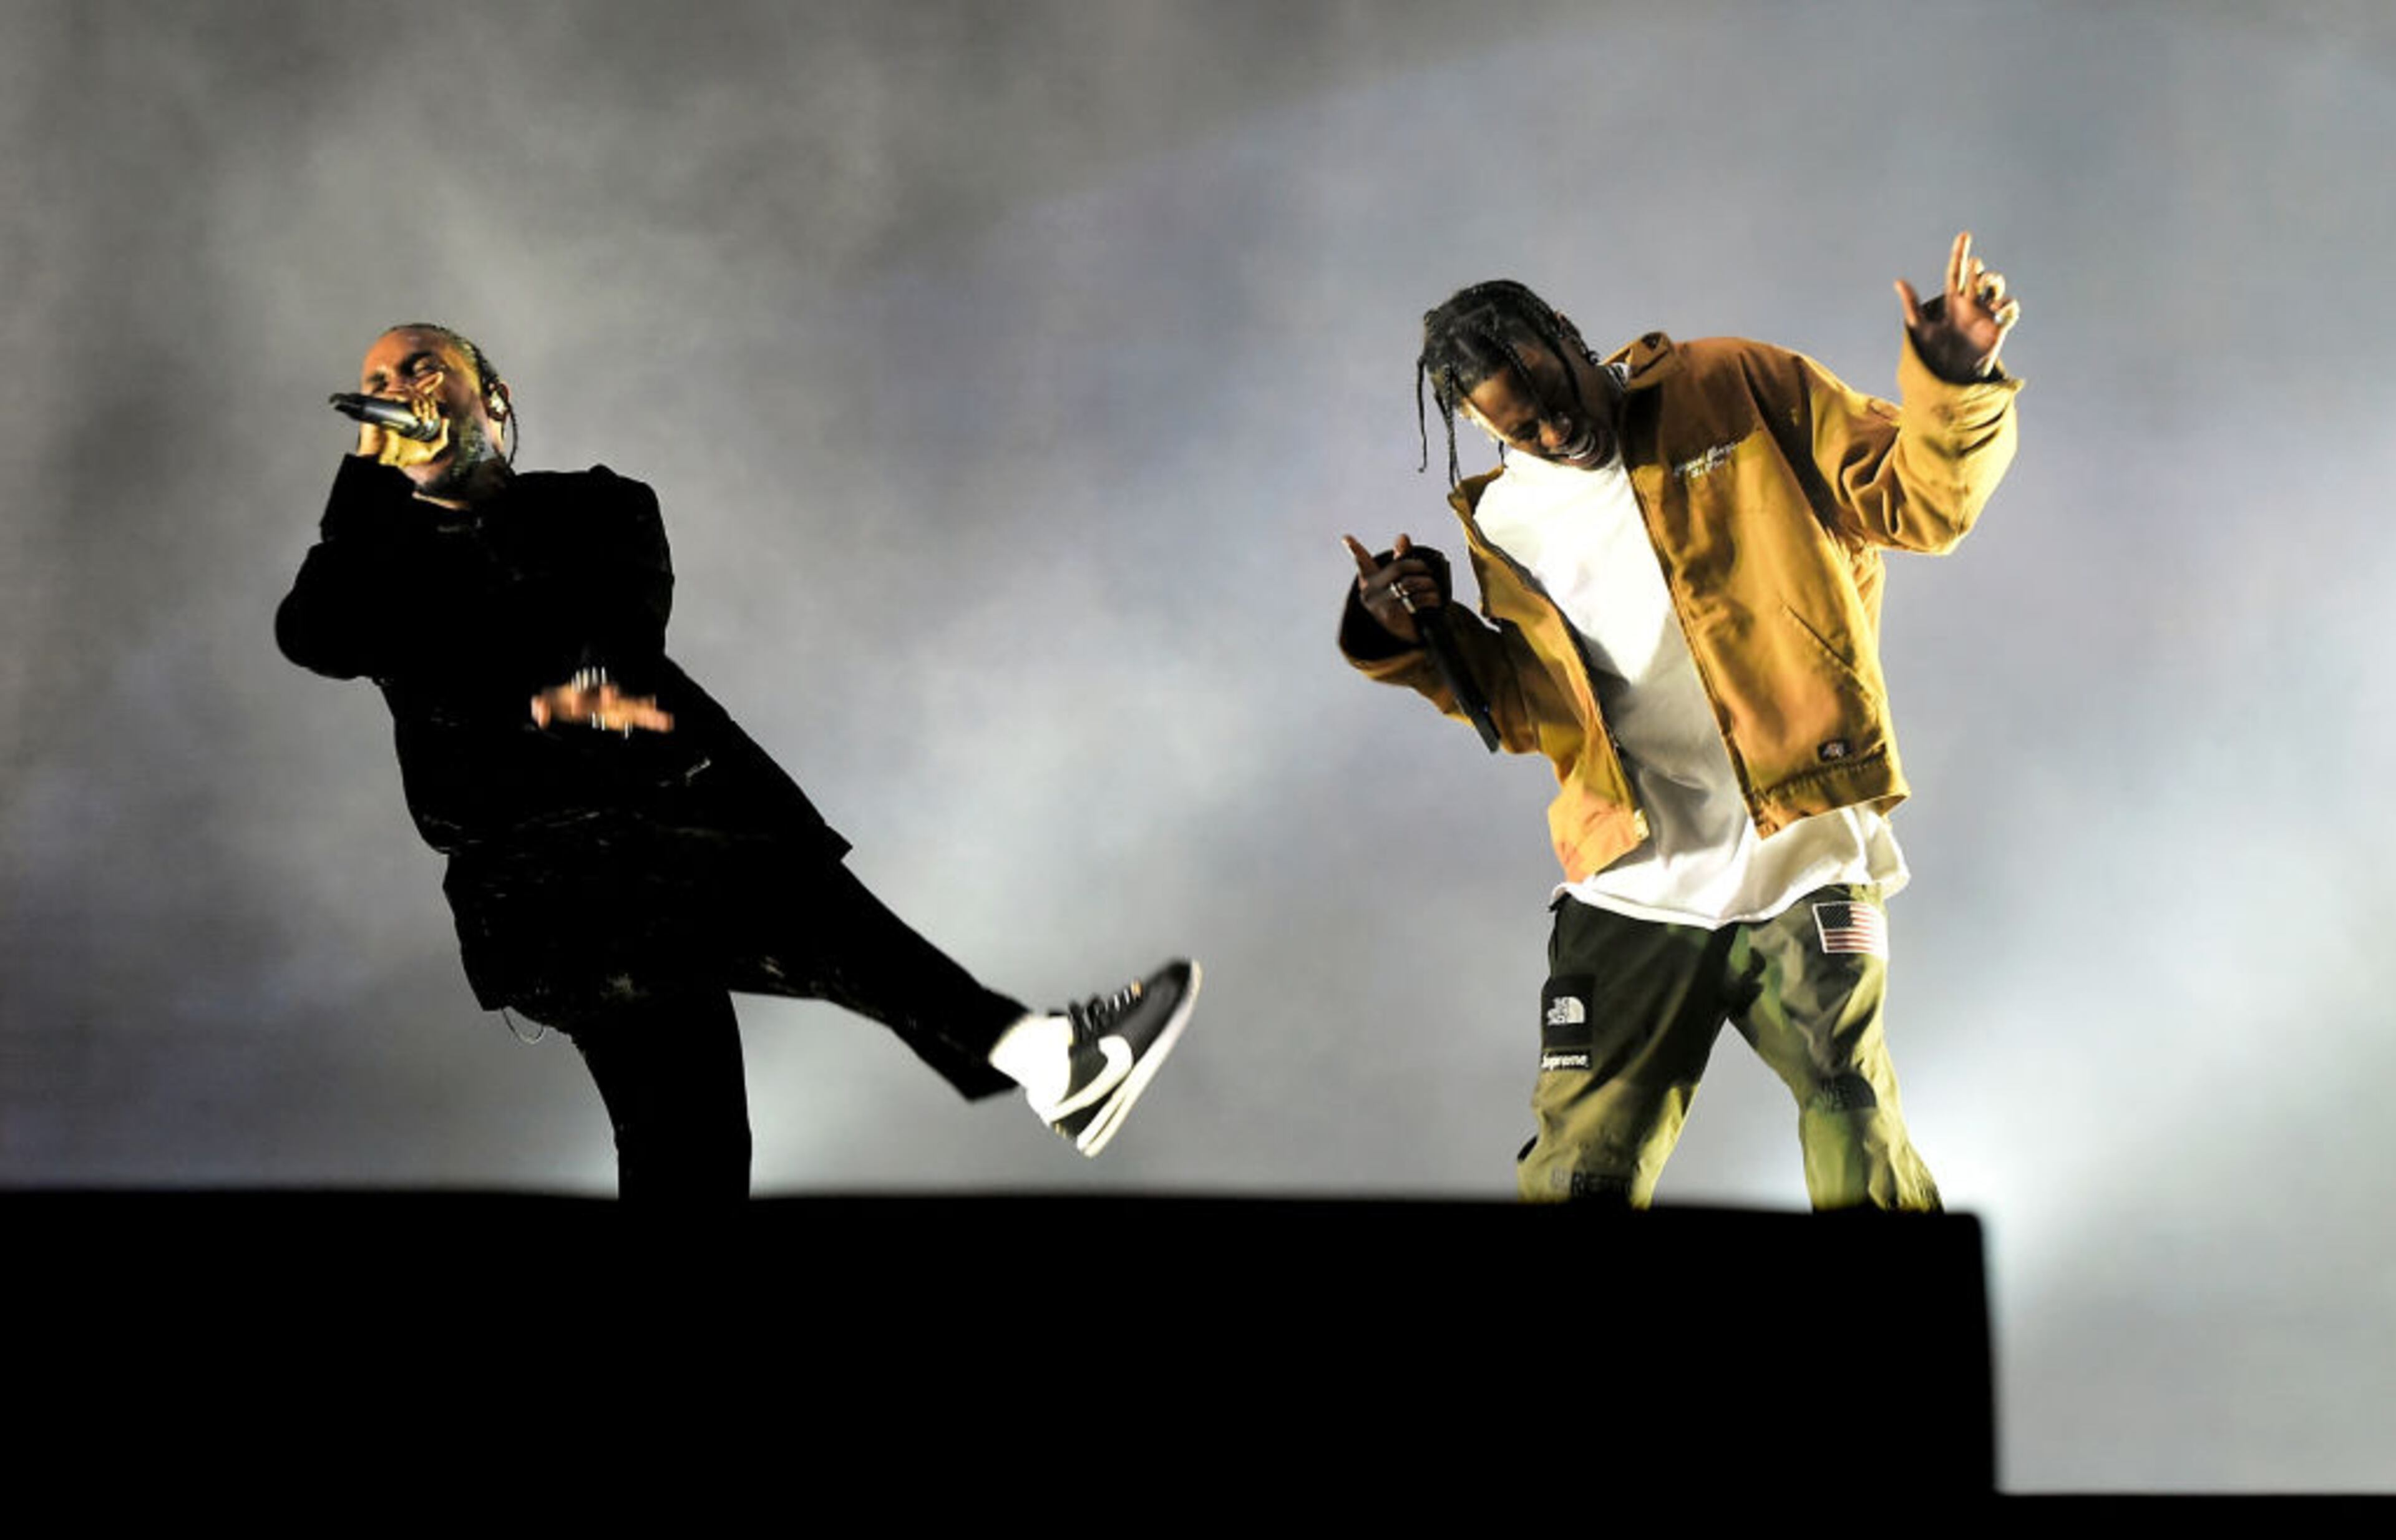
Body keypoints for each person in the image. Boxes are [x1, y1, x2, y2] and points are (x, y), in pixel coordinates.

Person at [277, 324, 1197, 1198]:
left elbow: (613, 623)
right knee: (787, 907)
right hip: (540, 888)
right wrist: (368, 479)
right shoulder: (380, 562)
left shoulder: (596, 504)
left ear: (496, 396)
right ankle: (1041, 1058)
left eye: (424, 367)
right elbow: (316, 636)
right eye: (379, 386)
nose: (399, 392)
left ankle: (1042, 1060)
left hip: (664, 838)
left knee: (692, 1151)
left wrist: (570, 689)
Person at [1340, 233, 2020, 1209]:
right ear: (1485, 430)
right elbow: (1534, 713)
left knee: (1857, 1125)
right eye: (1522, 426)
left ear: (1575, 339)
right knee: (1584, 1178)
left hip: (1804, 848)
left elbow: (1918, 504)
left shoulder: (1732, 384)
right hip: (1635, 886)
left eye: (1559, 390)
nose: (1556, 428)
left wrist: (1956, 388)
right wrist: (1413, 632)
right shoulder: (1502, 524)